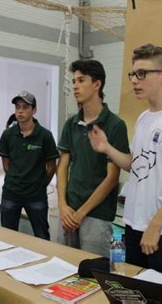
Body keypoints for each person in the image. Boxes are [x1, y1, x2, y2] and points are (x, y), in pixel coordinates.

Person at [88, 43, 162, 274]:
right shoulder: (143, 118)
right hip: (133, 223)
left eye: (142, 74)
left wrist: (156, 224)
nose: (134, 80)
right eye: (133, 74)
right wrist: (107, 148)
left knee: (158, 292)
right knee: (132, 288)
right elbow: (135, 165)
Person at [56, 59, 129, 257]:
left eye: (81, 81)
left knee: (93, 275)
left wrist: (82, 213)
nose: (75, 86)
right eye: (73, 81)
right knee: (63, 269)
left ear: (97, 84)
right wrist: (62, 206)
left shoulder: (115, 125)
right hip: (68, 210)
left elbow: (112, 178)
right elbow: (62, 167)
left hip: (97, 214)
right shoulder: (71, 123)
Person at [0, 91, 59, 240]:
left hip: (36, 196)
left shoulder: (45, 136)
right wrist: (15, 180)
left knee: (42, 236)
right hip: (11, 193)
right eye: (17, 107)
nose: (20, 111)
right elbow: (6, 164)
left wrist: (41, 184)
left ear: (34, 110)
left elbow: (51, 166)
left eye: (25, 107)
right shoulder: (8, 135)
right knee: (7, 237)